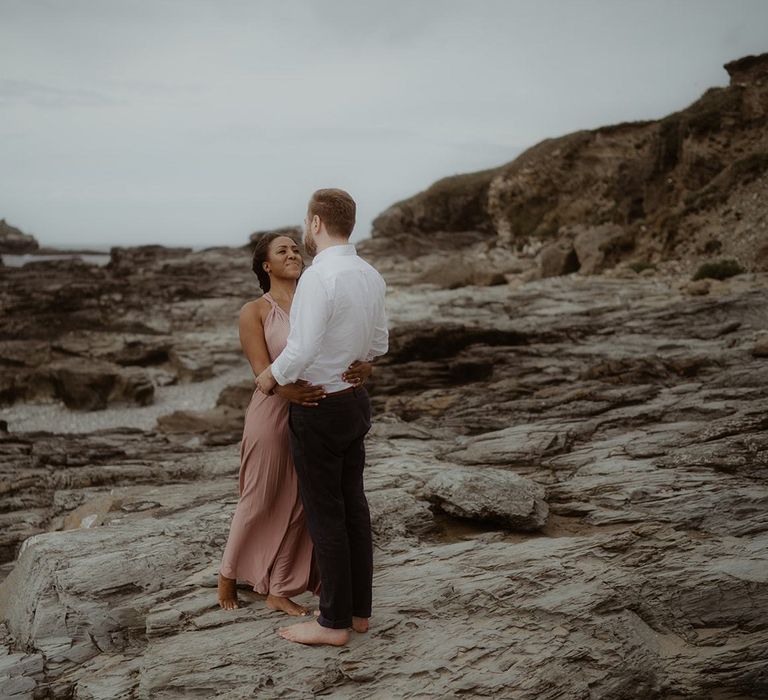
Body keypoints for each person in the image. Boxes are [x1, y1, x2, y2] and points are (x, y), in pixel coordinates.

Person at [256, 188, 389, 647]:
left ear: (315, 223)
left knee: (327, 515)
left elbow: (302, 348)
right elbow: (380, 343)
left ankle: (332, 623)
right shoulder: (370, 274)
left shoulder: (319, 277)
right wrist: (362, 360)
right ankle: (358, 612)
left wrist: (270, 378)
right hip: (355, 403)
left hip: (318, 405)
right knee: (354, 506)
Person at [217, 231, 373, 616]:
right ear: (266, 266)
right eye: (281, 251)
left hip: (316, 412)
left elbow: (346, 343)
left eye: (294, 248)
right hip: (272, 413)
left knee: (304, 504)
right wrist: (288, 393)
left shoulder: (315, 296)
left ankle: (281, 586)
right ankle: (227, 575)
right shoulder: (254, 311)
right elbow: (260, 372)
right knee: (259, 497)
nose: (293, 254)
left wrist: (367, 362)